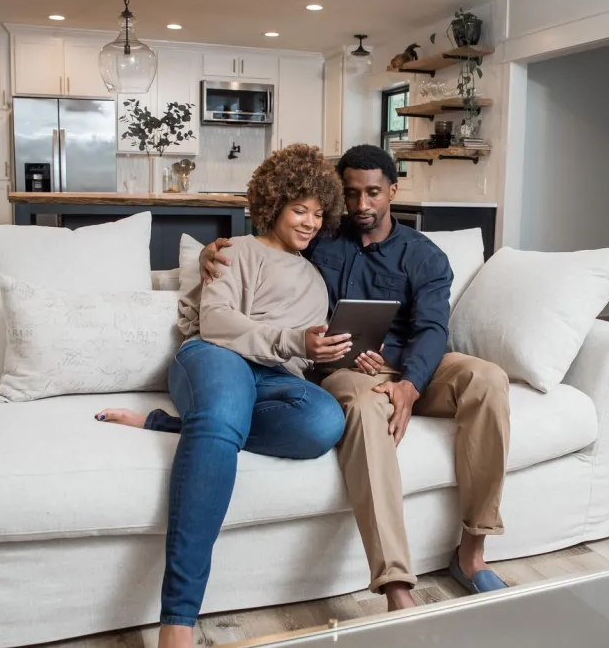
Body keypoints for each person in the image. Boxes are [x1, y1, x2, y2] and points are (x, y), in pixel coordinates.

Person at [200, 144, 511, 611]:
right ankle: (396, 585)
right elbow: (271, 243)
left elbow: (432, 329)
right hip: (347, 369)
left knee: (487, 378)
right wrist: (211, 250)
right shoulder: (322, 240)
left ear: (393, 190)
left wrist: (410, 383)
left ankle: (472, 552)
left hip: (415, 366)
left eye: (373, 193)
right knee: (365, 406)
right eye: (351, 194)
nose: (362, 205)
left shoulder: (424, 256)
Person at [96, 144, 350, 648]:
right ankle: (178, 622)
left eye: (319, 214)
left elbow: (301, 359)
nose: (309, 223)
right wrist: (293, 340)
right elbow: (216, 324)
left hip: (277, 378)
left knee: (324, 423)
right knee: (226, 400)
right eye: (299, 210)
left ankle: (174, 425)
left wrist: (329, 353)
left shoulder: (317, 280)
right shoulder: (235, 252)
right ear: (273, 205)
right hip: (215, 359)